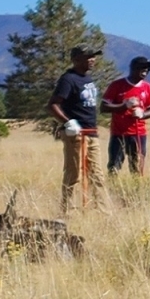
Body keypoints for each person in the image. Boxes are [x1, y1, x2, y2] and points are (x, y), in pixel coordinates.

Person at [49, 44, 102, 210]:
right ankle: (68, 211)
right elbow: (53, 105)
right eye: (88, 57)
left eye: (93, 56)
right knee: (74, 174)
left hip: (92, 133)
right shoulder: (68, 79)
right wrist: (67, 122)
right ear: (76, 60)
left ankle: (103, 212)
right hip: (76, 134)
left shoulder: (88, 79)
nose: (92, 60)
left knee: (98, 175)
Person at [104, 57, 150, 177]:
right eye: (142, 68)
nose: (146, 71)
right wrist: (123, 106)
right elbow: (104, 107)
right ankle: (113, 190)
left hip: (139, 133)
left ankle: (136, 191)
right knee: (114, 166)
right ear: (133, 68)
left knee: (137, 166)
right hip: (119, 133)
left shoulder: (147, 87)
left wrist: (143, 114)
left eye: (147, 68)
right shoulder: (117, 85)